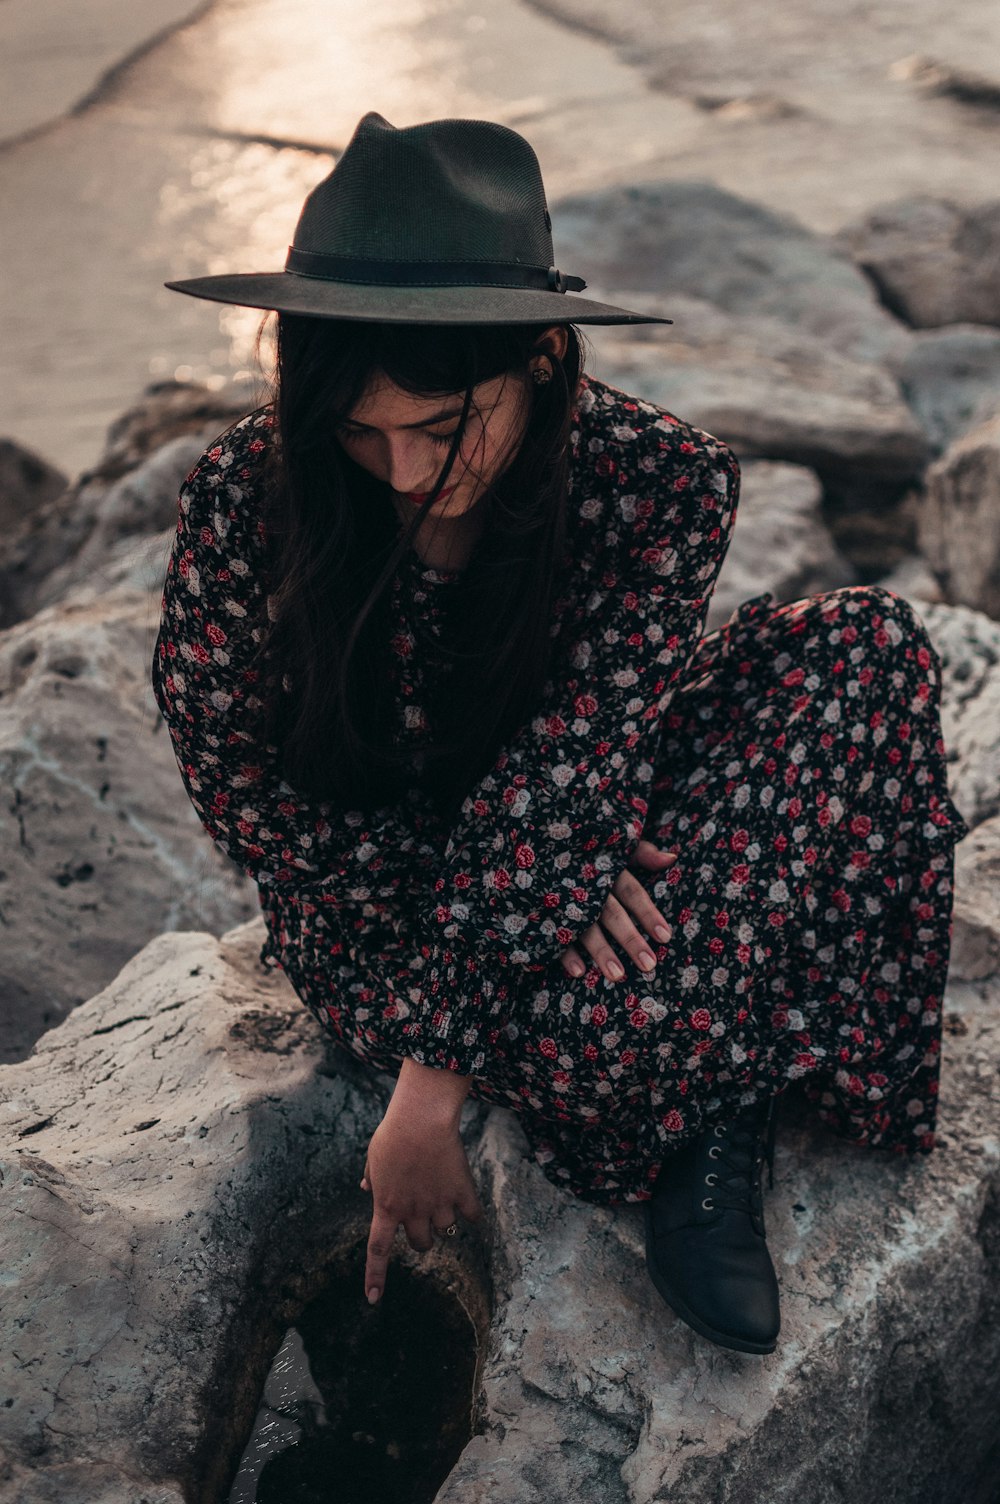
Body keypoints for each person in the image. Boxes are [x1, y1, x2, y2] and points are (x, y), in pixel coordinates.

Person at [153, 110, 969, 1357]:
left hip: (577, 806)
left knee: (864, 649)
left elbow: (582, 755)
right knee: (616, 1033)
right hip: (381, 897)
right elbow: (245, 799)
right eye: (362, 429)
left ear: (540, 358)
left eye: (441, 426)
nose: (401, 468)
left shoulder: (661, 479)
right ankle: (717, 1105)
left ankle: (711, 1086)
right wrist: (514, 923)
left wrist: (440, 1075)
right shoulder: (245, 497)